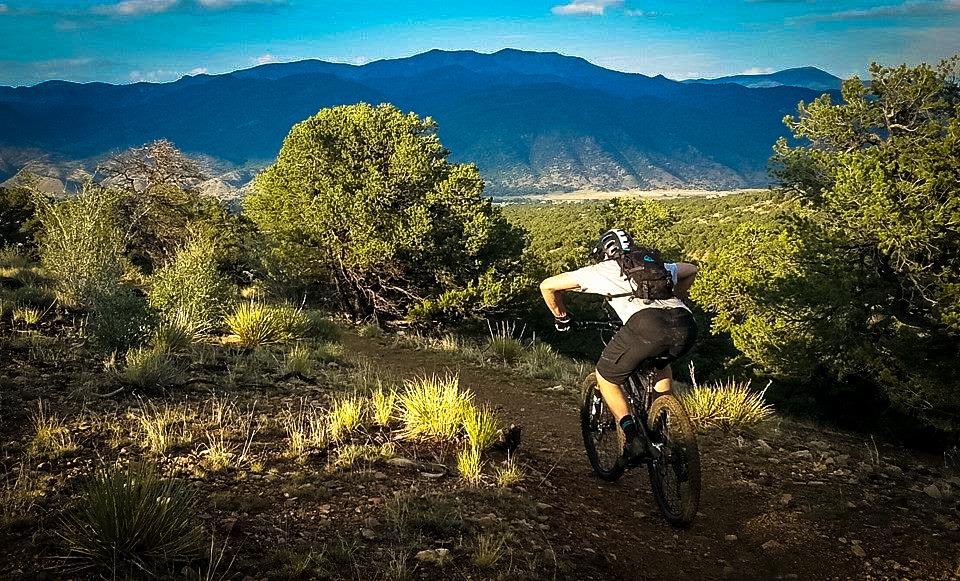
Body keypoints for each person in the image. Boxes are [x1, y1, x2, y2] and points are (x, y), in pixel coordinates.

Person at [539, 228, 698, 465]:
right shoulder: (653, 265)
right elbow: (691, 269)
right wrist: (678, 298)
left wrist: (562, 318)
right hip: (684, 323)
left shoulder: (602, 269)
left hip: (646, 326)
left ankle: (633, 437)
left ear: (604, 252)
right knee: (661, 363)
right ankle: (659, 424)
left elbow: (547, 286)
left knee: (606, 377)